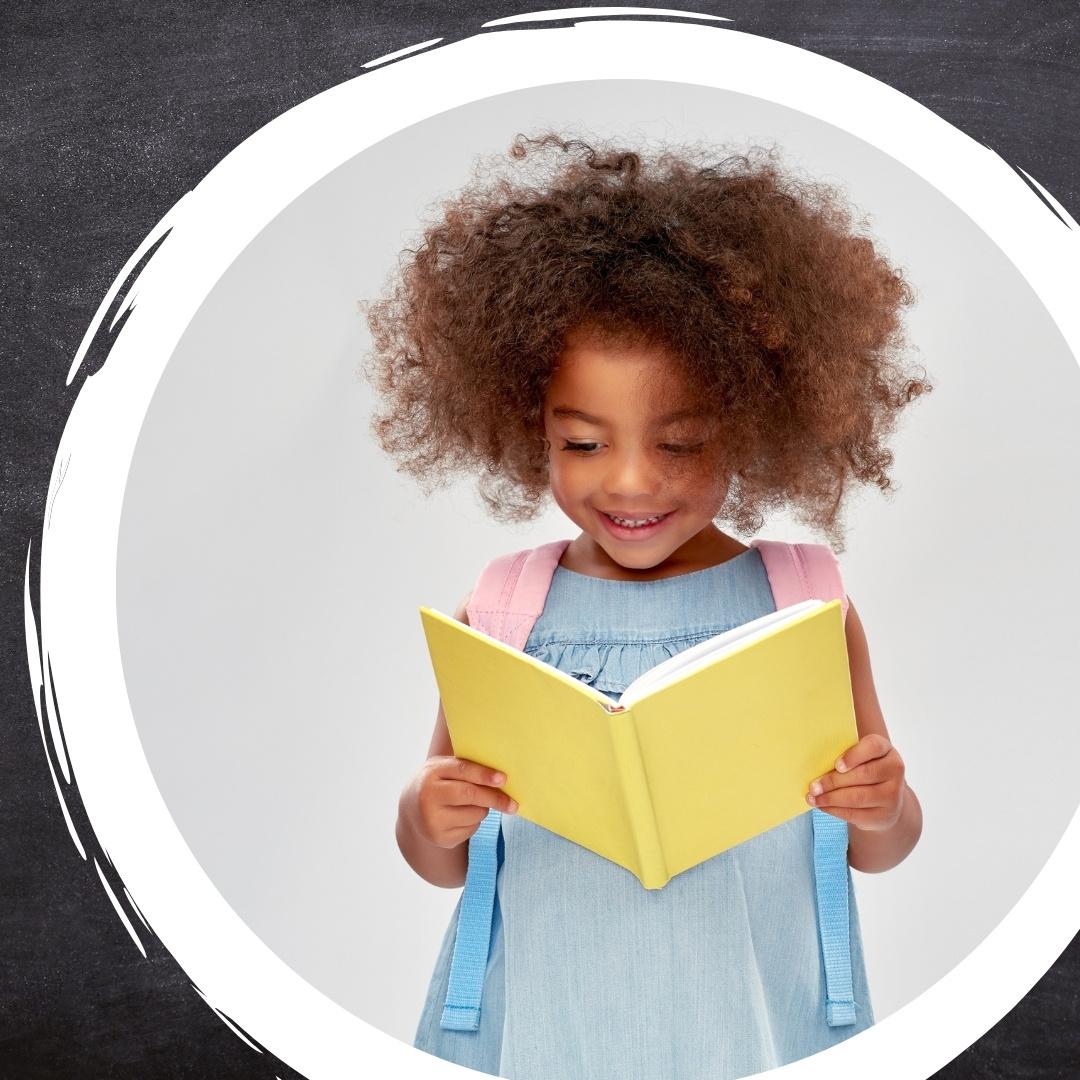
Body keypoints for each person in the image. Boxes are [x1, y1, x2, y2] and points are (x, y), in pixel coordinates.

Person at [362, 131, 927, 1080]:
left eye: (680, 443)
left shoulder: (806, 602)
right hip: (540, 1020)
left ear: (753, 423)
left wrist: (882, 802)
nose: (629, 483)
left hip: (755, 1016)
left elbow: (882, 846)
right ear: (526, 423)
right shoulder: (504, 607)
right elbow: (444, 862)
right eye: (583, 444)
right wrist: (427, 811)